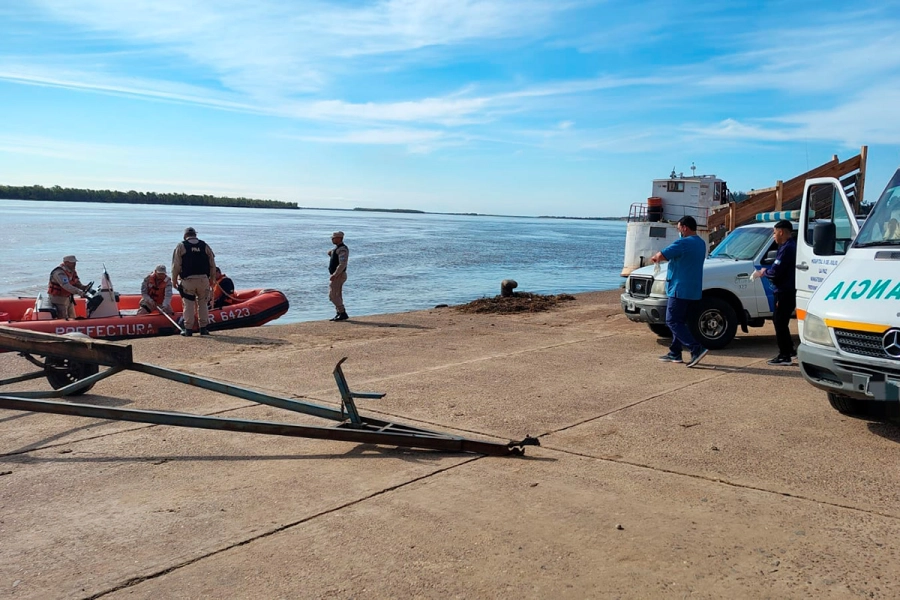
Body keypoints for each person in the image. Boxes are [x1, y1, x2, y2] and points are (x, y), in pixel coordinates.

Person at [650, 216, 709, 368]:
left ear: (684, 227)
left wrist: (655, 257)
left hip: (679, 288)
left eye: (679, 228)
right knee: (681, 321)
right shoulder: (701, 243)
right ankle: (675, 352)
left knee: (672, 320)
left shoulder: (682, 243)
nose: (678, 231)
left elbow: (662, 255)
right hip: (694, 289)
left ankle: (696, 348)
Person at [755, 220, 797, 365]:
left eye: (774, 233)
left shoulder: (787, 248)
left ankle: (784, 355)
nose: (773, 236)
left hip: (784, 290)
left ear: (781, 232)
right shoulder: (786, 247)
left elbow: (776, 271)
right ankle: (790, 350)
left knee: (779, 322)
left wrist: (764, 272)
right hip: (785, 289)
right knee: (781, 321)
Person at [172, 227, 216, 336]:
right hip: (203, 279)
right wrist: (212, 279)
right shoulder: (204, 245)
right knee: (203, 304)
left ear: (185, 235)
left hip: (188, 280)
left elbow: (176, 265)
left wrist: (174, 280)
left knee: (188, 304)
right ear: (195, 235)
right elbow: (212, 264)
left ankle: (188, 329)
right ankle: (203, 328)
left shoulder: (181, 246)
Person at [47, 255, 90, 319]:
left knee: (72, 316)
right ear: (66, 262)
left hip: (68, 298)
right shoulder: (59, 272)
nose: (75, 264)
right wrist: (79, 292)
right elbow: (65, 285)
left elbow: (76, 282)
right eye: (72, 263)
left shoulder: (72, 271)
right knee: (63, 317)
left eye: (75, 262)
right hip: (59, 299)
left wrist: (84, 287)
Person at [327, 231, 349, 321]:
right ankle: (339, 313)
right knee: (337, 295)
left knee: (333, 295)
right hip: (337, 275)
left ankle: (342, 313)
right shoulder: (337, 249)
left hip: (338, 275)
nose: (332, 239)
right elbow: (333, 254)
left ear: (339, 238)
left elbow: (342, 264)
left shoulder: (342, 249)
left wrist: (335, 274)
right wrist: (331, 253)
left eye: (334, 238)